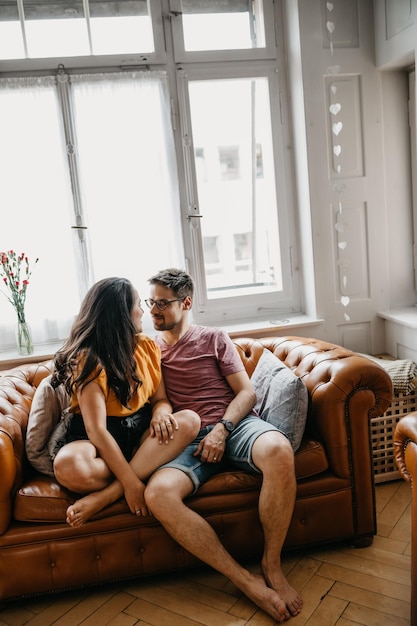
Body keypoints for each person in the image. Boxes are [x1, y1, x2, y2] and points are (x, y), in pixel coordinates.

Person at [143, 268, 303, 623]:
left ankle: (271, 566)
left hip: (235, 424)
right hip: (188, 436)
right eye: (150, 302)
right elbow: (161, 399)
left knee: (278, 449)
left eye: (162, 303)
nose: (153, 310)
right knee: (157, 494)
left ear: (186, 303)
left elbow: (247, 392)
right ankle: (245, 580)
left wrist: (223, 430)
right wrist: (161, 412)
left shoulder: (214, 338)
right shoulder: (150, 350)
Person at [51, 276, 200, 528]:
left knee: (189, 420)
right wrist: (133, 485)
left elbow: (161, 399)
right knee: (68, 465)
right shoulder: (88, 360)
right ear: (120, 313)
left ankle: (106, 496)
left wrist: (159, 414)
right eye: (137, 304)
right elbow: (95, 431)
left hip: (138, 433)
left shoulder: (147, 347)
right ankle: (138, 470)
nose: (144, 311)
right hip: (96, 442)